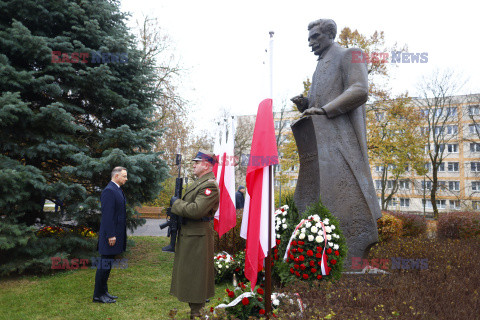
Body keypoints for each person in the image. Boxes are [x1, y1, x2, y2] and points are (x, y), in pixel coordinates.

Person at [291, 19, 381, 261]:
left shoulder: (351, 54)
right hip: (322, 142)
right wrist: (306, 105)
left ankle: (354, 250)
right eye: (309, 38)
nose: (310, 43)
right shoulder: (319, 68)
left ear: (330, 35)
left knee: (347, 192)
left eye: (315, 37)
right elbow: (317, 106)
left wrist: (324, 110)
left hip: (342, 140)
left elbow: (360, 90)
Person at [169, 151, 220, 319]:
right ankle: (195, 312)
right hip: (191, 235)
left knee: (197, 276)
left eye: (197, 162)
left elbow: (196, 210)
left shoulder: (209, 185)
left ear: (206, 165)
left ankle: (197, 314)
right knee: (191, 275)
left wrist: (176, 203)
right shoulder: (200, 182)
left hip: (198, 237)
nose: (194, 165)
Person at [92, 166, 128, 303]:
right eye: (124, 176)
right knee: (104, 265)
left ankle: (104, 292)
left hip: (114, 234)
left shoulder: (116, 189)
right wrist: (111, 235)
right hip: (110, 236)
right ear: (116, 176)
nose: (126, 178)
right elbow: (107, 216)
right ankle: (98, 295)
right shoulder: (109, 191)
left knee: (107, 265)